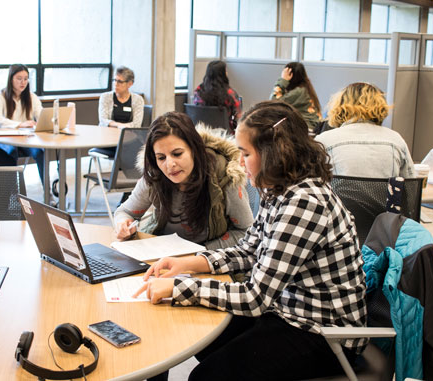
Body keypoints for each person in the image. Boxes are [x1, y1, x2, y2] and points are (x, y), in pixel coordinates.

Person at [134, 101, 367, 380]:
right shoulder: (278, 188)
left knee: (206, 376)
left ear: (272, 154)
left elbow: (255, 298)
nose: (240, 163)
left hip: (322, 332)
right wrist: (189, 265)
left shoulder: (303, 203)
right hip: (286, 309)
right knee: (196, 333)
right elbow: (249, 251)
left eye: (245, 153)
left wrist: (179, 286)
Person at [114, 112, 253, 250]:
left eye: (177, 154)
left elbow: (246, 232)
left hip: (207, 260)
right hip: (160, 255)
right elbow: (125, 212)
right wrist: (122, 224)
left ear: (194, 149)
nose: (169, 165)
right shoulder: (155, 175)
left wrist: (201, 254)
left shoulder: (225, 176)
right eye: (161, 158)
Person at [315, 82, 415, 178]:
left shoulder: (324, 141)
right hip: (383, 196)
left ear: (339, 107)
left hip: (337, 196)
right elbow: (410, 184)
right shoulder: (395, 140)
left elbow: (312, 183)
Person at [0, 64, 45, 183]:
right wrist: (20, 124)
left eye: (26, 79)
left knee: (40, 152)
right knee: (11, 152)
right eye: (19, 78)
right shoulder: (0, 96)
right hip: (5, 139)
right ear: (11, 79)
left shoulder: (31, 96)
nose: (23, 82)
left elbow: (41, 115)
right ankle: (12, 191)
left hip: (26, 138)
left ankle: (48, 192)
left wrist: (48, 121)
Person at [192, 60, 242, 134]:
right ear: (222, 74)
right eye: (225, 71)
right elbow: (238, 115)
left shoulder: (199, 91)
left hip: (202, 133)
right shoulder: (230, 93)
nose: (227, 73)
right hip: (225, 136)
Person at [270, 61, 321, 131]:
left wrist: (283, 80)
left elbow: (273, 103)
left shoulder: (299, 92)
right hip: (307, 127)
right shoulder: (304, 88)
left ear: (290, 75)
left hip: (306, 129)